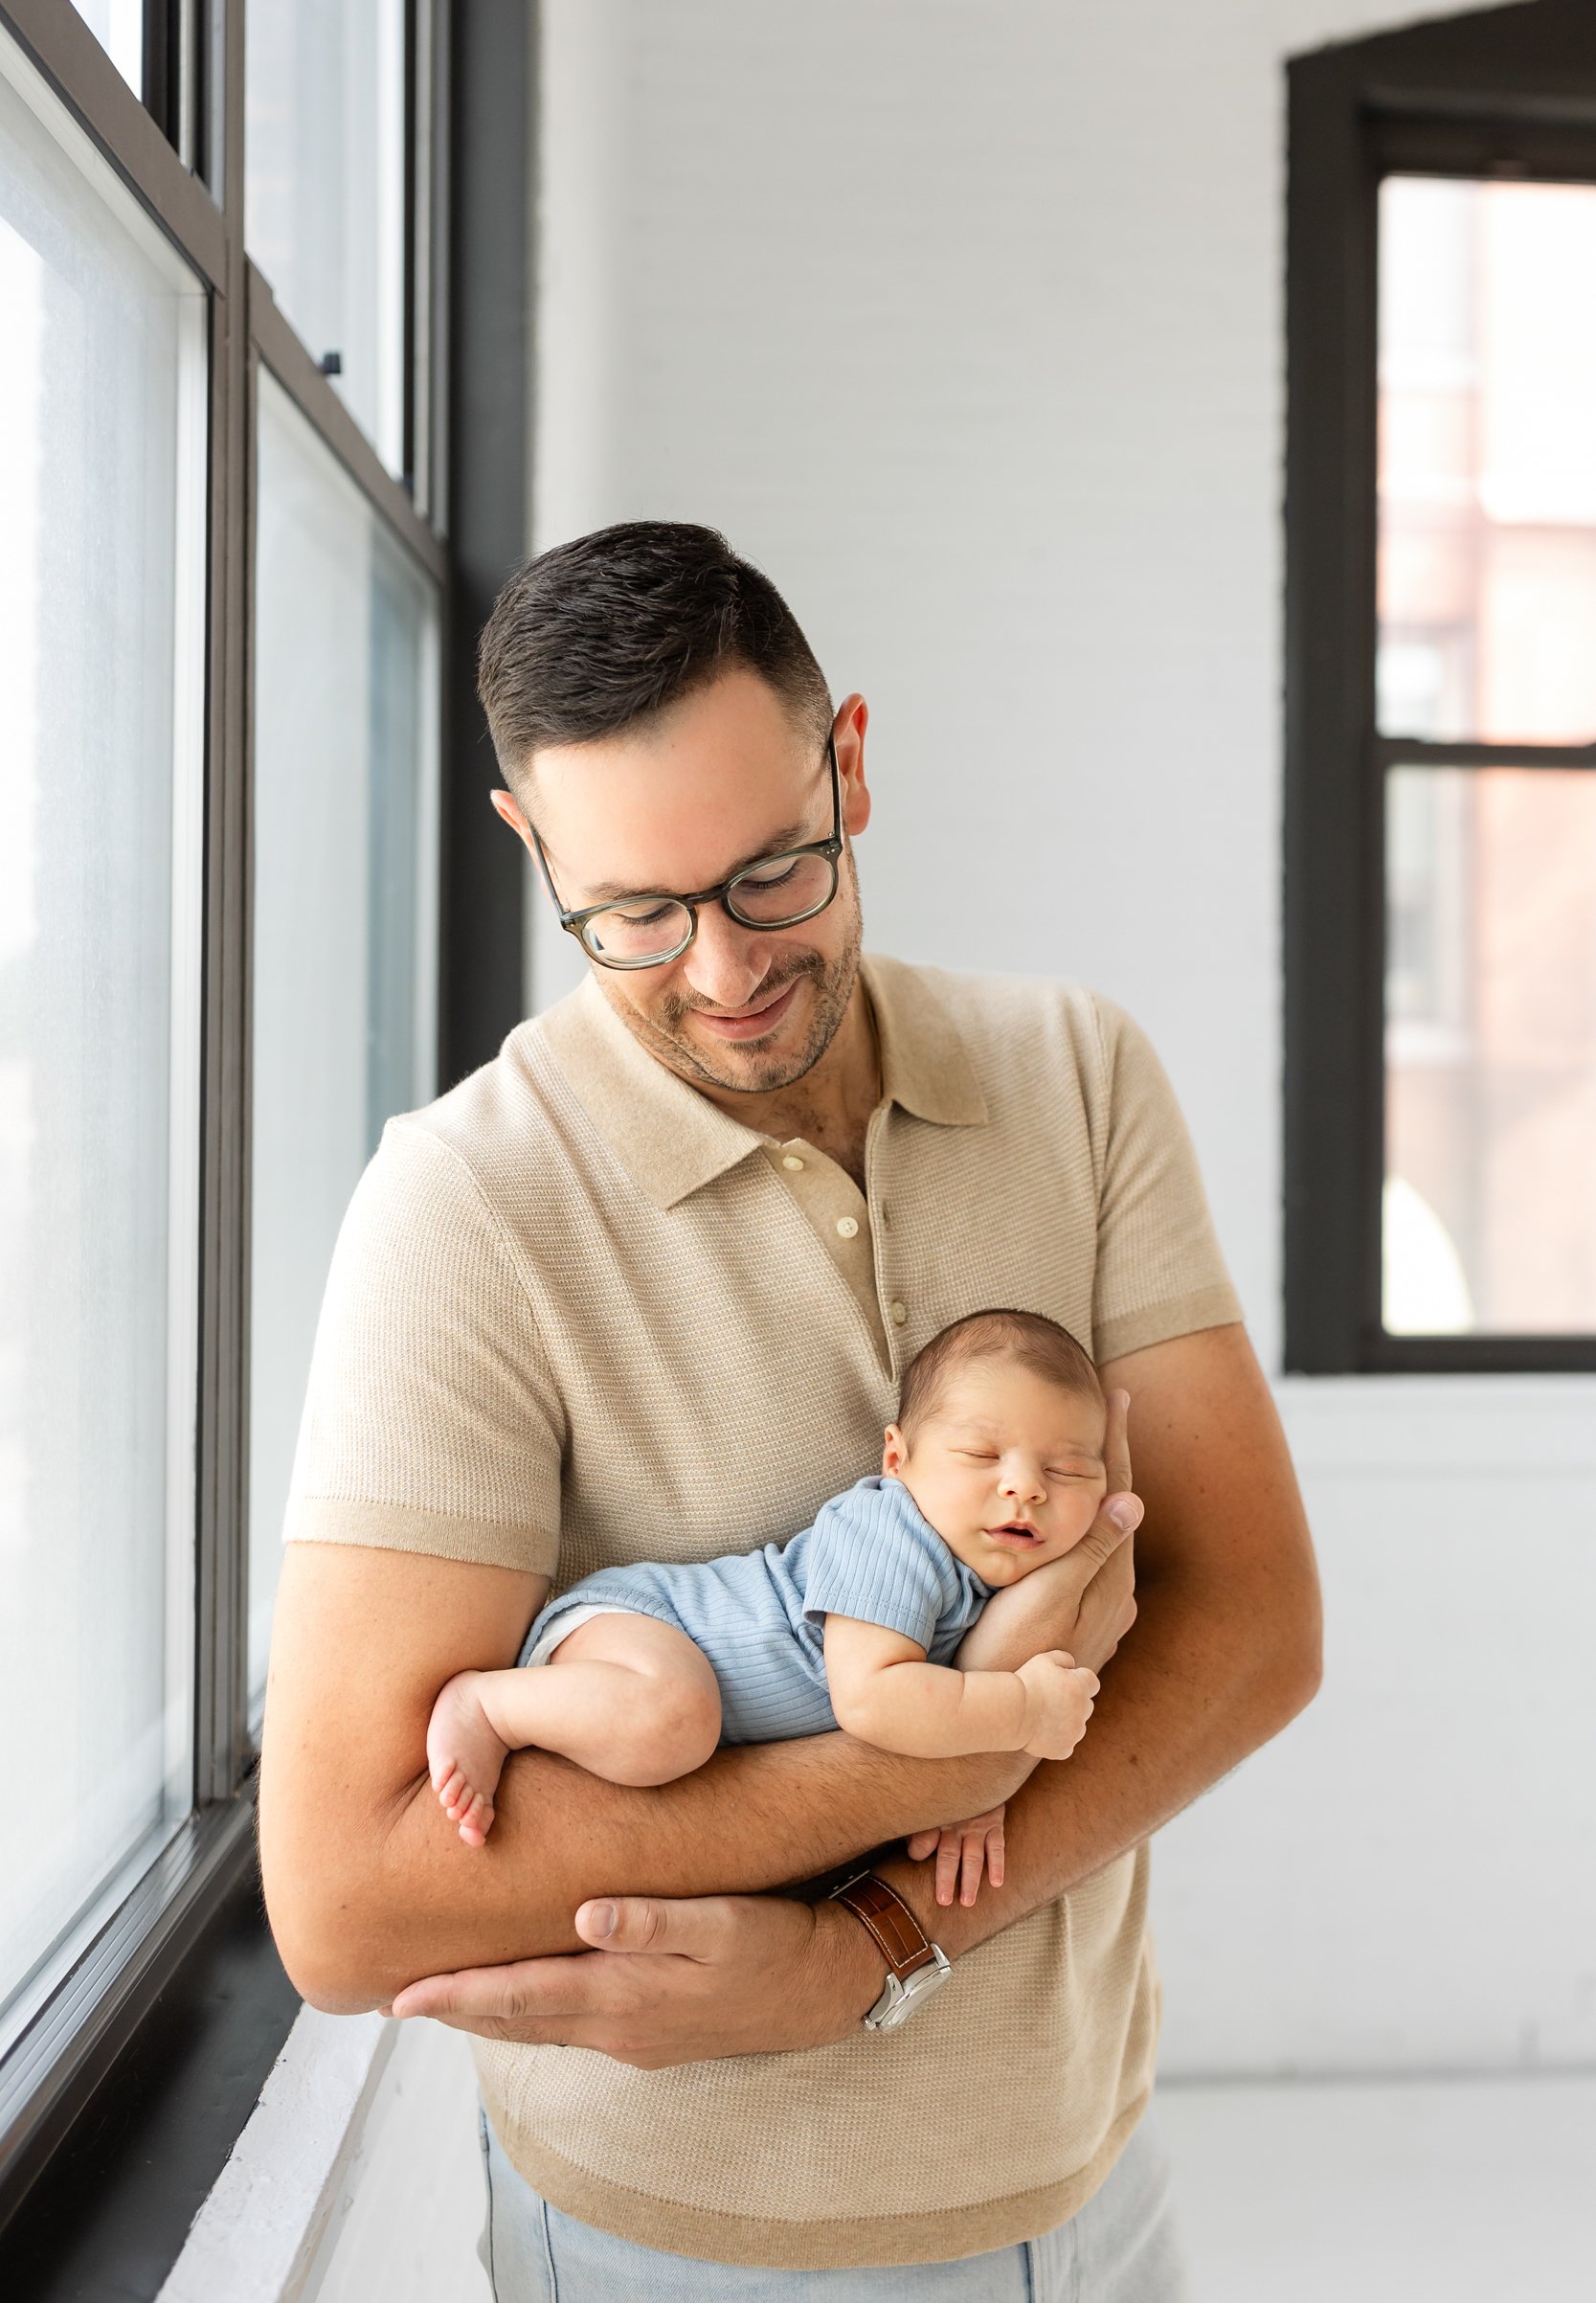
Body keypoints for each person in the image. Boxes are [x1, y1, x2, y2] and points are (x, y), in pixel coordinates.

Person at [259, 520, 1322, 2300]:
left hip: (1090, 2176)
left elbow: (1254, 1621)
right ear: (531, 845)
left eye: (772, 876)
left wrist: (879, 1943)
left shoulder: (1079, 1071)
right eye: (634, 914)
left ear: (848, 760)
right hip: (696, 2250)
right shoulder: (463, 1208)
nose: (724, 972)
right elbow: (350, 1900)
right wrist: (959, 1752)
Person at [425, 1310, 1110, 1901]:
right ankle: (488, 1705)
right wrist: (1020, 1715)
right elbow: (875, 1700)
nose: (1024, 1487)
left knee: (680, 1738)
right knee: (671, 1720)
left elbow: (954, 1707)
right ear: (897, 1459)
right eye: (979, 1454)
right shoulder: (891, 1533)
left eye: (1067, 1469)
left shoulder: (993, 1576)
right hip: (642, 1627)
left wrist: (977, 1797)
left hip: (660, 1661)